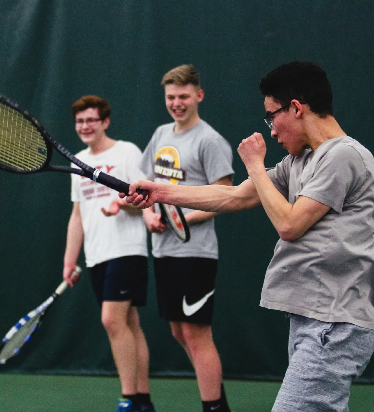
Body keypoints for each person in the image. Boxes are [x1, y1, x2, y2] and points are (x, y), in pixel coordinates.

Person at [125, 61, 374, 412]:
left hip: (334, 323)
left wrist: (256, 165)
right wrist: (161, 192)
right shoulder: (300, 161)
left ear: (296, 107)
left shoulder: (343, 156)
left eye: (271, 116)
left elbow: (289, 225)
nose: (272, 132)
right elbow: (235, 196)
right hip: (311, 318)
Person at [139, 64, 234, 412]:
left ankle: (213, 408)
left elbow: (225, 196)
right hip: (164, 253)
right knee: (180, 333)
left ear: (199, 96)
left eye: (183, 96)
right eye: (171, 97)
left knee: (196, 335)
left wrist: (182, 219)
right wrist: (151, 215)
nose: (177, 103)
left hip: (196, 254)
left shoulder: (210, 140)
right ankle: (217, 400)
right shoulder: (161, 134)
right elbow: (147, 185)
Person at [62, 95, 156, 412]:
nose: (85, 126)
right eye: (79, 121)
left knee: (111, 321)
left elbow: (145, 196)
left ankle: (128, 399)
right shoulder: (77, 162)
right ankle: (143, 402)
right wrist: (69, 260)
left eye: (91, 120)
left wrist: (122, 203)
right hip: (97, 256)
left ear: (105, 122)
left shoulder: (127, 152)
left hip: (127, 251)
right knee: (129, 324)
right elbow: (78, 215)